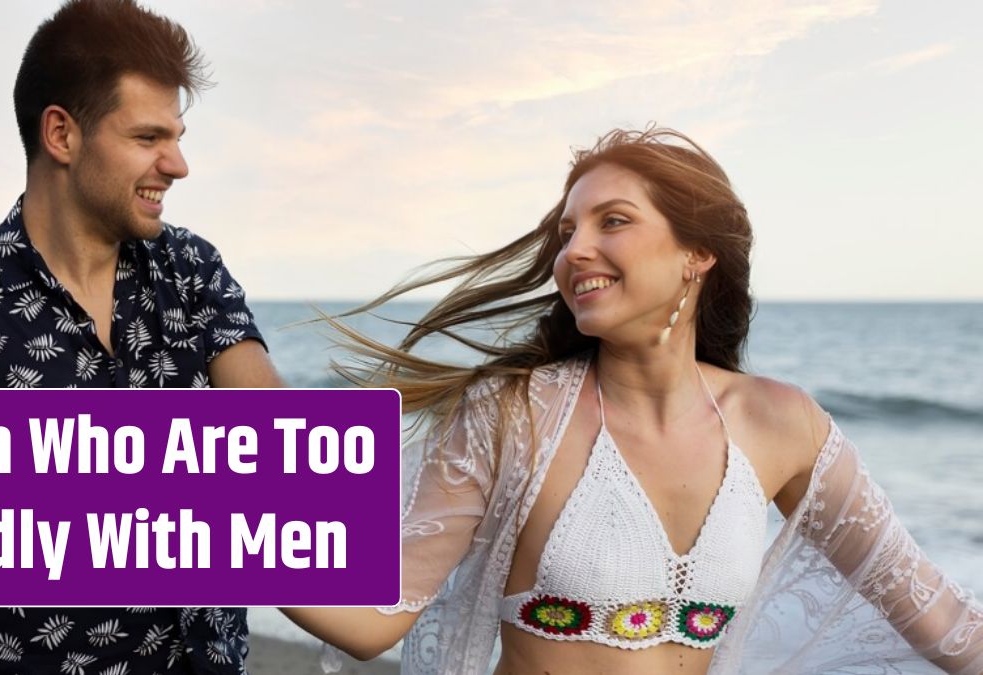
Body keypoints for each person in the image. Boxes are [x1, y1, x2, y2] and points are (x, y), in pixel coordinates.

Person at [281, 127, 983, 674]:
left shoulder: (783, 424)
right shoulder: (515, 412)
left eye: (612, 221)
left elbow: (941, 620)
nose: (575, 250)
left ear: (697, 252)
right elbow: (377, 613)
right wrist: (206, 533)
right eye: (567, 233)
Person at [0, 1, 283, 673]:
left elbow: (282, 460)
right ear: (61, 134)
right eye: (148, 138)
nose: (177, 164)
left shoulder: (193, 270)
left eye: (177, 136)